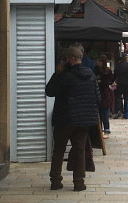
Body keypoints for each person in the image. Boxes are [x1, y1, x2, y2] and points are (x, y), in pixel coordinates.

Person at [45, 45, 100, 191]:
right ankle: (79, 182)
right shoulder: (90, 74)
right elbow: (97, 98)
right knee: (80, 149)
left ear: (71, 59)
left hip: (65, 119)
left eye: (65, 59)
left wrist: (57, 73)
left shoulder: (64, 76)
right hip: (84, 121)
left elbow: (49, 91)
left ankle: (56, 180)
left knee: (59, 150)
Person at [94, 54, 115, 136]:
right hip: (98, 93)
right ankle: (99, 129)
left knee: (105, 113)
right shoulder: (95, 69)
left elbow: (111, 81)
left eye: (99, 61)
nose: (98, 62)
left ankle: (106, 129)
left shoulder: (107, 71)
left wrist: (102, 82)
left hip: (106, 93)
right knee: (98, 113)